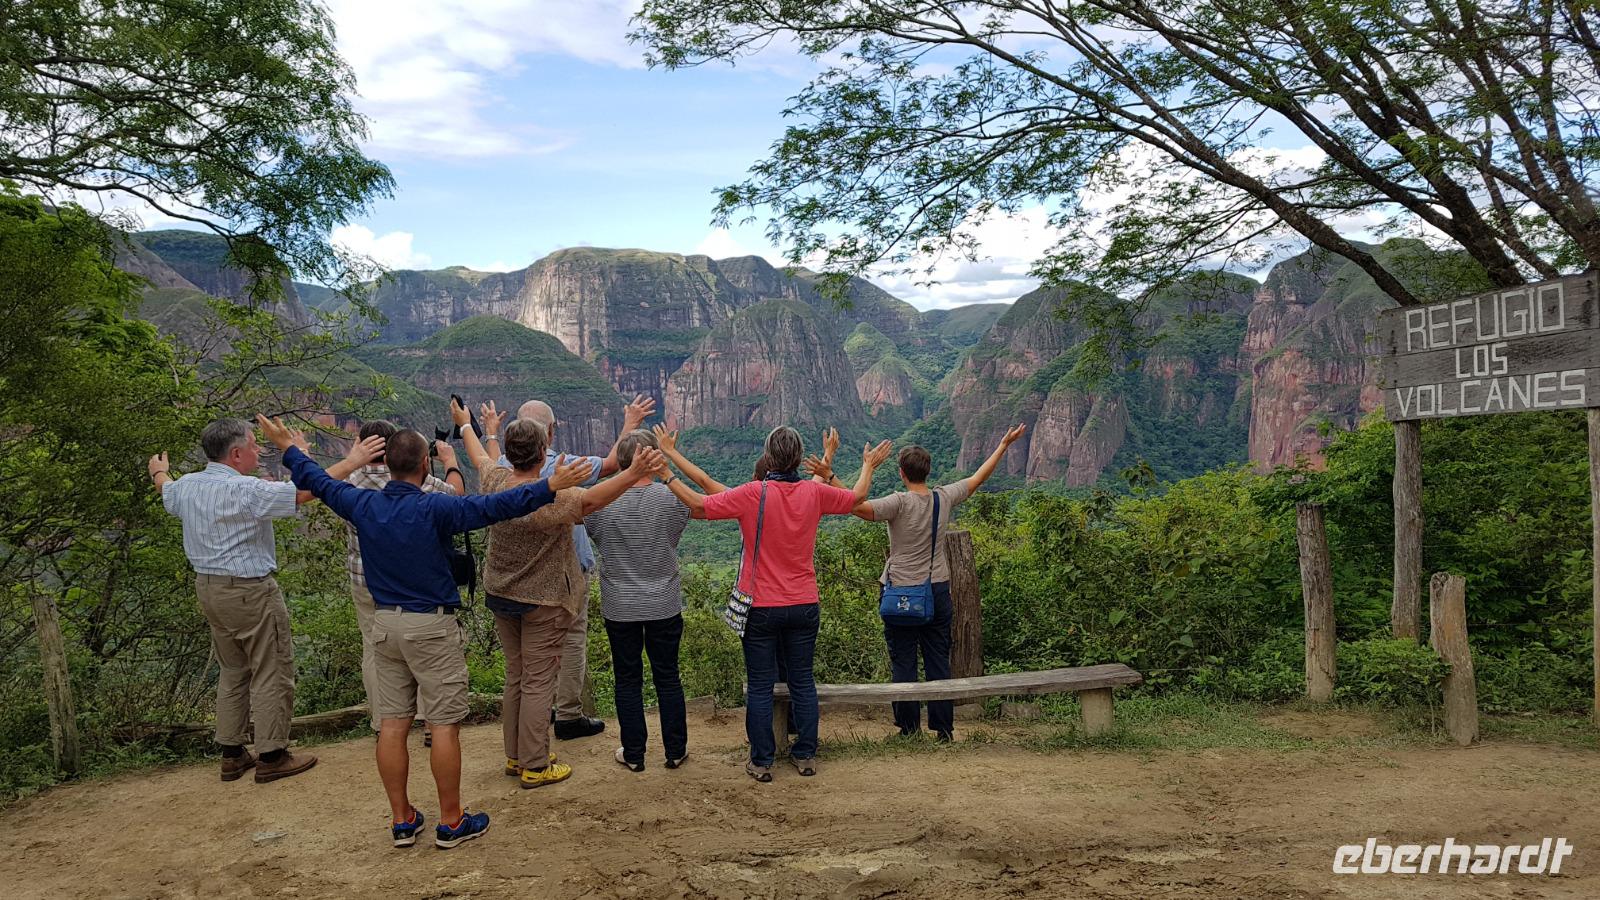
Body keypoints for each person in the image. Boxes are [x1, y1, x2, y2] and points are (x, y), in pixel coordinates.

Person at [260, 413, 592, 850]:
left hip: (384, 627)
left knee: (394, 727)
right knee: (444, 725)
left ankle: (402, 820)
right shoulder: (437, 505)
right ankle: (451, 821)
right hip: (430, 628)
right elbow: (497, 507)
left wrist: (290, 449)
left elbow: (317, 482)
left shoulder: (362, 503)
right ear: (424, 466)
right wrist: (550, 485)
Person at [660, 426, 892, 782]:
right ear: (799, 458)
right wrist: (868, 465)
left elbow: (696, 503)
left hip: (761, 607)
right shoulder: (815, 492)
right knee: (802, 681)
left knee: (760, 684)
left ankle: (763, 760)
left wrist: (666, 472)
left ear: (768, 457)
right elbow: (858, 497)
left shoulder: (751, 494)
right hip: (803, 604)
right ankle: (805, 755)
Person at [148, 418, 373, 784]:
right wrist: (355, 458)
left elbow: (165, 489)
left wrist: (159, 471)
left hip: (209, 589)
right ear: (236, 454)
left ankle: (232, 754)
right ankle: (272, 754)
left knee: (233, 670)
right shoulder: (246, 491)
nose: (259, 450)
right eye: (254, 445)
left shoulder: (187, 486)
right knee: (271, 670)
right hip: (249, 590)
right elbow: (307, 492)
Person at [456, 401, 663, 788]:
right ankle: (535, 762)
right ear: (543, 452)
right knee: (538, 681)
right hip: (542, 600)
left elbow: (480, 456)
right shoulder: (553, 499)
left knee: (516, 675)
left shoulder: (494, 481)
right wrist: (634, 471)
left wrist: (471, 426)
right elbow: (593, 499)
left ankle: (516, 754)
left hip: (501, 593)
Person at [835, 424, 1027, 740]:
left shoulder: (897, 502)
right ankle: (944, 729)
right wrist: (1003, 444)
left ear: (901, 473)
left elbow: (855, 505)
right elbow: (978, 479)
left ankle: (908, 729)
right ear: (928, 471)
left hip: (901, 594)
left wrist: (842, 474)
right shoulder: (944, 497)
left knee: (904, 662)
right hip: (937, 590)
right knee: (938, 660)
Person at [344, 420, 465, 740]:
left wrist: (350, 460)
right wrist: (450, 462)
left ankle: (384, 723)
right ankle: (431, 721)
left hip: (366, 580)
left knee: (375, 648)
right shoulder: (423, 484)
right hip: (414, 582)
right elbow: (458, 498)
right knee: (426, 647)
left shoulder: (351, 483)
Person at [583, 429, 693, 773]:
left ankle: (634, 754)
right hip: (664, 602)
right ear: (653, 459)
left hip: (620, 605)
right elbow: (677, 532)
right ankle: (675, 750)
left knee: (627, 679)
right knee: (668, 676)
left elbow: (591, 530)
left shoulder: (600, 502)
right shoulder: (671, 499)